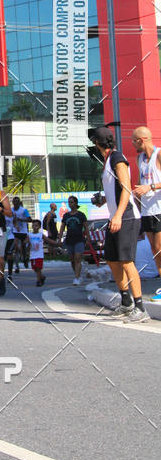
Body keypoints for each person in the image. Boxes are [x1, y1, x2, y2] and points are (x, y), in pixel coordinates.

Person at [91, 126, 149, 322]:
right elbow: (115, 190)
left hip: (127, 217)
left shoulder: (117, 158)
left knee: (126, 261)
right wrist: (104, 201)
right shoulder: (108, 161)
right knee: (112, 259)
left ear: (97, 143)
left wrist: (117, 215)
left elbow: (126, 188)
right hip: (115, 216)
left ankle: (140, 307)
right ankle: (126, 302)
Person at [131, 126, 161, 279]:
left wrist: (150, 187)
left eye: (134, 141)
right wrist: (136, 194)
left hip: (159, 208)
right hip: (147, 210)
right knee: (155, 250)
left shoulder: (159, 154)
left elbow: (148, 185)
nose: (132, 144)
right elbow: (140, 181)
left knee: (160, 248)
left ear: (141, 140)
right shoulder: (140, 159)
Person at [57, 195, 89, 285]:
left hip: (79, 239)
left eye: (71, 202)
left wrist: (88, 238)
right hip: (69, 239)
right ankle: (77, 275)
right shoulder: (66, 215)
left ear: (76, 203)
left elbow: (86, 227)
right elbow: (62, 227)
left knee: (77, 258)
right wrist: (59, 239)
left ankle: (77, 278)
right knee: (72, 259)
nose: (70, 204)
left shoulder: (81, 215)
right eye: (69, 202)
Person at [11, 197, 32, 272]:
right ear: (13, 202)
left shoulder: (24, 210)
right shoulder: (11, 210)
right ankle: (17, 266)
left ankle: (25, 258)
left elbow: (30, 219)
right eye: (14, 202)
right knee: (16, 248)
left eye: (17, 202)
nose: (15, 203)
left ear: (19, 203)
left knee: (24, 248)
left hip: (23, 231)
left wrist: (21, 220)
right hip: (15, 231)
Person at [28, 219, 51, 286]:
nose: (35, 227)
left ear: (39, 227)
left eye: (36, 225)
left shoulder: (41, 235)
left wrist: (57, 243)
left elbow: (48, 240)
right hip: (33, 254)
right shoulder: (29, 235)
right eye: (33, 225)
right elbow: (26, 241)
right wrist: (26, 243)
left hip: (39, 254)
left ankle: (38, 281)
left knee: (38, 268)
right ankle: (42, 276)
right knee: (35, 268)